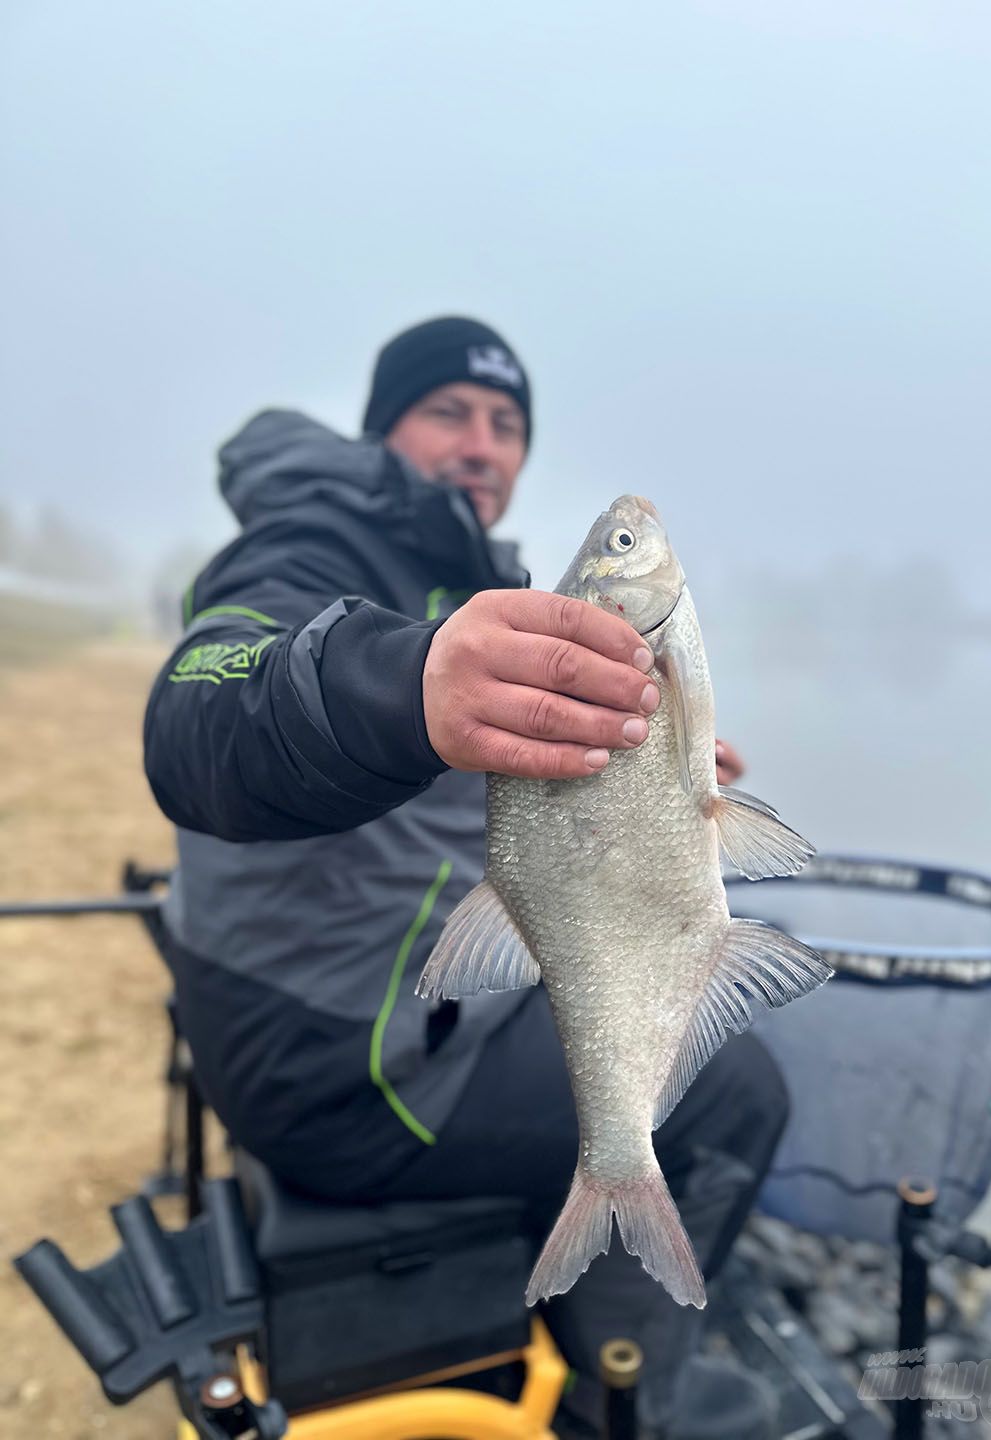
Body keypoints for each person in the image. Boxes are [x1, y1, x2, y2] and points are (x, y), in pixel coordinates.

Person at [143, 316, 789, 1436]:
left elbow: (462, 797)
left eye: (507, 423)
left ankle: (599, 1326)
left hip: (369, 1008)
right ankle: (623, 1402)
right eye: (448, 411)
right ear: (382, 429)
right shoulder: (310, 544)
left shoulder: (465, 573)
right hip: (335, 1059)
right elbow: (198, 713)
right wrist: (409, 684)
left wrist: (638, 785)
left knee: (647, 1009)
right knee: (742, 1090)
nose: (482, 444)